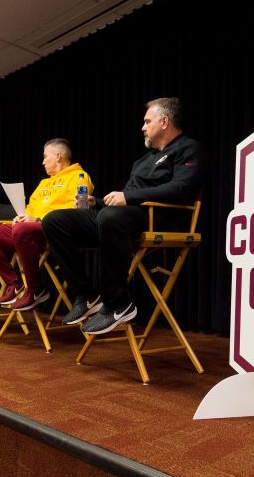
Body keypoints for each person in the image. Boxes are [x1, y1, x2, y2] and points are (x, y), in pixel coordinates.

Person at [42, 97, 203, 335]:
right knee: (55, 221)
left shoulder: (188, 148)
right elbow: (127, 196)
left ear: (165, 121)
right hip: (126, 217)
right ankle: (86, 295)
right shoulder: (143, 160)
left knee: (111, 217)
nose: (143, 127)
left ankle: (118, 303)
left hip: (159, 216)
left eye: (148, 121)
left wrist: (128, 198)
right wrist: (95, 202)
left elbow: (182, 189)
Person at [0, 139, 94, 311]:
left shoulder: (79, 176)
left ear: (58, 156)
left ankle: (35, 289)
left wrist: (38, 220)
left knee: (23, 229)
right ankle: (14, 284)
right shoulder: (43, 183)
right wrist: (22, 216)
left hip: (54, 231)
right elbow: (30, 209)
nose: (42, 161)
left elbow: (76, 211)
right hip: (28, 231)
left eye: (45, 157)